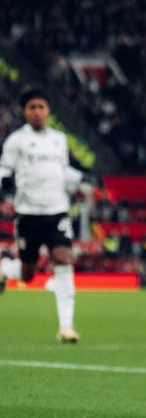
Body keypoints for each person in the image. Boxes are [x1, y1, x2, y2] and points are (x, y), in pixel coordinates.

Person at [0, 88, 82, 342]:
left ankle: (66, 327)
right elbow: (4, 168)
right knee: (28, 272)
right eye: (31, 107)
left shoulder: (59, 139)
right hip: (28, 214)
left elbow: (63, 170)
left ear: (48, 110)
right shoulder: (16, 141)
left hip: (57, 210)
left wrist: (83, 179)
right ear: (24, 111)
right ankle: (5, 269)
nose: (37, 112)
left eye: (41, 107)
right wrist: (5, 184)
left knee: (64, 259)